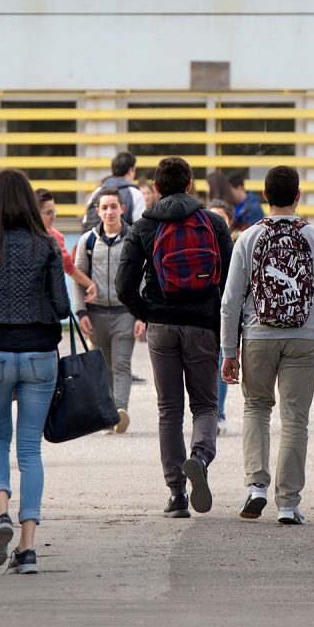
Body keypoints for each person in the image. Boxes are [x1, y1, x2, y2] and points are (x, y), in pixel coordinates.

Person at [0, 169, 71, 575]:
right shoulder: (46, 245)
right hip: (40, 353)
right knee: (30, 450)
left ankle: (1, 511)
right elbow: (61, 305)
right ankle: (27, 547)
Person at [220, 165, 314, 525]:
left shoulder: (247, 238)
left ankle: (256, 487)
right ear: (298, 196)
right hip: (303, 339)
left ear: (264, 197)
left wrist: (229, 351)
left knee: (256, 408)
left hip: (257, 335)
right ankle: (288, 504)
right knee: (295, 420)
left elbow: (230, 301)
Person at [117, 156, 233, 519]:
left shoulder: (143, 227)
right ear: (189, 185)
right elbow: (231, 285)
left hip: (162, 327)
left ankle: (177, 494)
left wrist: (147, 313)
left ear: (157, 187)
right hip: (203, 325)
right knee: (205, 405)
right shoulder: (213, 223)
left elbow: (123, 286)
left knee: (169, 410)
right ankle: (199, 457)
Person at [73, 188, 145, 434]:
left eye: (114, 206)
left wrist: (141, 315)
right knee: (103, 367)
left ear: (122, 209)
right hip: (96, 314)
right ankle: (107, 413)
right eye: (104, 207)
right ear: (98, 211)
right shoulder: (88, 241)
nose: (109, 212)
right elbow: (77, 277)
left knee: (122, 363)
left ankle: (120, 410)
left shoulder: (134, 238)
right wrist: (81, 312)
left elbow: (142, 278)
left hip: (125, 313)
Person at [206, 198, 237, 433]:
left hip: (226, 316)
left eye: (221, 220)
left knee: (220, 363)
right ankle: (205, 412)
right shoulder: (198, 247)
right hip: (202, 313)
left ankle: (218, 413)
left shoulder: (238, 248)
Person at [36, 188, 98, 303]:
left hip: (47, 303)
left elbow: (69, 267)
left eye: (54, 212)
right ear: (35, 213)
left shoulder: (56, 237)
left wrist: (90, 284)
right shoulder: (21, 237)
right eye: (49, 213)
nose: (53, 217)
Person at [82, 152, 146, 232]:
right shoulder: (135, 194)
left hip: (97, 242)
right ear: (131, 170)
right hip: (124, 242)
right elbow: (140, 227)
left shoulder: (98, 191)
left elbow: (86, 222)